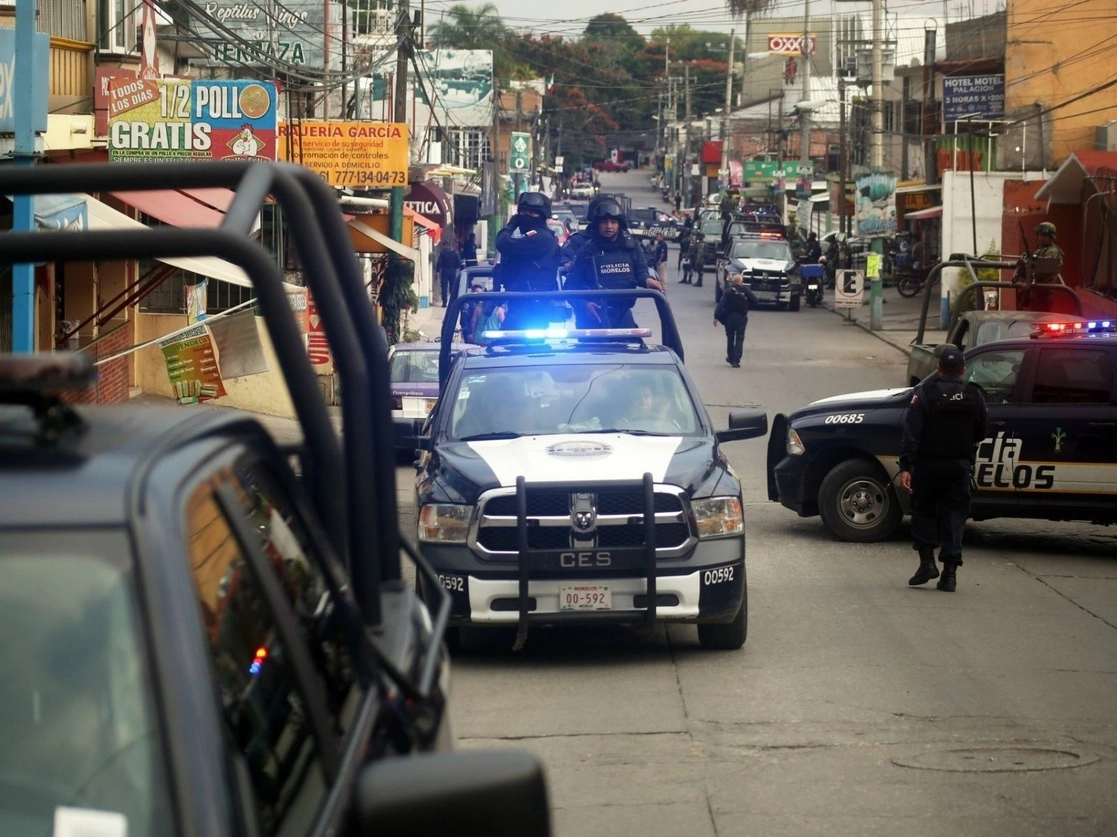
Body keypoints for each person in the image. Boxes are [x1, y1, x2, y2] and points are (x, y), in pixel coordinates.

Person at [898, 345, 989, 592]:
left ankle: (927, 563)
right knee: (954, 517)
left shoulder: (925, 394)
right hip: (958, 466)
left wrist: (906, 466)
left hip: (928, 465)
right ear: (962, 370)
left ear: (938, 368)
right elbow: (982, 431)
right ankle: (949, 575)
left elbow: (911, 434)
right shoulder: (974, 395)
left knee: (923, 511)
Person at [564, 196, 664, 328]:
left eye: (613, 222)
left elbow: (640, 272)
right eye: (604, 222)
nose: (609, 226)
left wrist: (648, 281)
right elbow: (570, 288)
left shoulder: (631, 248)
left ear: (619, 224)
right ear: (597, 224)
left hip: (622, 316)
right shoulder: (586, 251)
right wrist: (584, 305)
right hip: (593, 318)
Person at [494, 191, 561, 329]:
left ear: (542, 216)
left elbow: (503, 243)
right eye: (523, 213)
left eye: (532, 213)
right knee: (502, 346)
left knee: (522, 346)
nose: (526, 217)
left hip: (533, 307)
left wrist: (510, 226)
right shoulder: (536, 236)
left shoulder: (540, 237)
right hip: (520, 304)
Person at [1014, 221, 1066, 310]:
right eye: (1040, 235)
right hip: (1036, 291)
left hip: (1043, 293)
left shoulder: (1052, 252)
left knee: (1040, 319)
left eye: (1045, 236)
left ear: (1051, 237)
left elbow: (1043, 271)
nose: (1041, 238)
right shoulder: (1041, 250)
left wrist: (1028, 266)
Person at [712, 273, 759, 367]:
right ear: (741, 282)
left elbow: (721, 304)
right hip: (741, 317)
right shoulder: (745, 290)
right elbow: (755, 301)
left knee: (730, 338)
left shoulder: (728, 291)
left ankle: (730, 357)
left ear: (732, 282)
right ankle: (736, 360)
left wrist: (716, 317)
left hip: (729, 318)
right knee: (739, 338)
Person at [435, 239, 462, 307]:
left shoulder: (442, 254)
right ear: (449, 246)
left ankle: (444, 303)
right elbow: (458, 264)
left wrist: (437, 272)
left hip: (444, 271)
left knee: (444, 287)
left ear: (444, 246)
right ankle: (452, 302)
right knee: (452, 287)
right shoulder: (454, 254)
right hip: (452, 272)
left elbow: (439, 263)